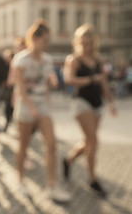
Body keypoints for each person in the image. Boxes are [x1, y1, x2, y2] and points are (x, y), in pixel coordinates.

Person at [13, 19, 71, 202]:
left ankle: (51, 185)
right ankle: (20, 180)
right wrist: (32, 108)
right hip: (26, 107)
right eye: (45, 39)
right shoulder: (21, 59)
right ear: (35, 38)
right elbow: (20, 88)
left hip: (43, 107)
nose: (47, 43)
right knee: (23, 146)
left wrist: (52, 82)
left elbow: (47, 81)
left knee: (52, 145)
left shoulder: (47, 59)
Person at [63, 23, 117, 197]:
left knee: (88, 141)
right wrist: (91, 79)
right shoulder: (74, 59)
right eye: (84, 43)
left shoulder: (98, 60)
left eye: (90, 43)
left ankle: (69, 160)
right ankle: (93, 179)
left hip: (97, 103)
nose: (87, 46)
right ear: (79, 42)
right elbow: (69, 80)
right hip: (81, 102)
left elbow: (104, 83)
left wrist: (110, 103)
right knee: (93, 141)